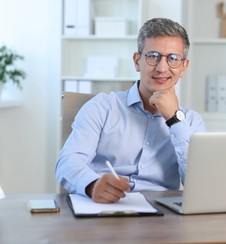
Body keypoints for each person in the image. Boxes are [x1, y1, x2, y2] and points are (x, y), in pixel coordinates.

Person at [55, 18, 206, 204]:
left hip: (163, 217)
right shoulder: (102, 107)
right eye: (152, 56)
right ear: (137, 61)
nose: (161, 68)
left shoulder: (192, 122)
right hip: (105, 208)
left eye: (173, 59)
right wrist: (92, 184)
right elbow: (67, 162)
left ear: (183, 67)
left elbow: (200, 184)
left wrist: (175, 120)